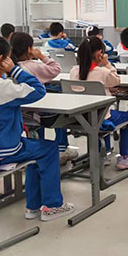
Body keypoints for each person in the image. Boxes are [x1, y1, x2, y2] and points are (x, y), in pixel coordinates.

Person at [0, 36, 74, 221]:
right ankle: (52, 205)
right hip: (5, 149)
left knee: (34, 149)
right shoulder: (2, 87)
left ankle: (33, 207)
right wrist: (14, 70)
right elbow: (38, 90)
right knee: (49, 149)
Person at [70, 37, 128, 170]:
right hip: (100, 120)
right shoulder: (103, 72)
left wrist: (105, 89)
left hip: (80, 118)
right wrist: (107, 63)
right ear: (99, 54)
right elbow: (116, 80)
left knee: (102, 111)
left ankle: (104, 153)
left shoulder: (74, 71)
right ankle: (124, 158)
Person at [10, 32, 77, 165]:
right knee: (60, 111)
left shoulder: (10, 67)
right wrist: (41, 56)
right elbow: (56, 68)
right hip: (38, 113)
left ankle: (38, 143)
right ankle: (62, 149)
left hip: (20, 112)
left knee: (37, 114)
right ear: (29, 49)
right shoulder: (32, 66)